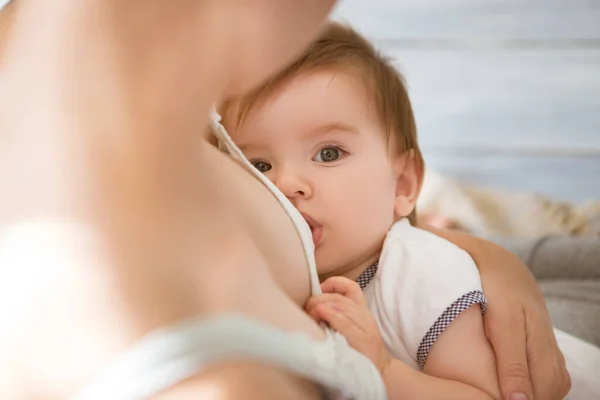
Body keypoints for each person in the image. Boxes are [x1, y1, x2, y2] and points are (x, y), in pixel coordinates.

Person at [0, 1, 569, 399]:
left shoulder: (421, 271)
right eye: (261, 166)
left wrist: (389, 368)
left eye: (327, 154)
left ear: (403, 184)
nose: (290, 184)